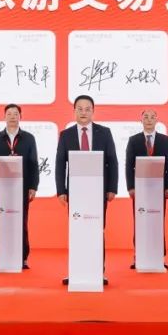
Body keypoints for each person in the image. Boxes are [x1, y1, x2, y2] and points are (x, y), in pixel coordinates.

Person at [55, 95, 118, 285]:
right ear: (74, 111)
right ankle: (76, 271)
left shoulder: (104, 132)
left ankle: (99, 271)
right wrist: (61, 190)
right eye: (80, 109)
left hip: (98, 191)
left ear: (93, 111)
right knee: (77, 230)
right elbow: (60, 164)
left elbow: (112, 161)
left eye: (87, 109)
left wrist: (112, 188)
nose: (83, 112)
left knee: (97, 231)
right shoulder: (66, 135)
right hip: (75, 192)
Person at [0, 103, 40, 269]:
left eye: (16, 113)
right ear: (4, 117)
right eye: (9, 113)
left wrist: (33, 186)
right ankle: (3, 255)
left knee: (21, 221)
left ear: (20, 117)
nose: (12, 117)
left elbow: (34, 163)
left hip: (22, 187)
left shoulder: (29, 138)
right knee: (3, 221)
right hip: (2, 187)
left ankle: (23, 257)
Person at [125, 109, 168, 269]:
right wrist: (131, 187)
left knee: (158, 222)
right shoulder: (134, 140)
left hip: (159, 189)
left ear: (156, 121)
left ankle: (159, 256)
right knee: (139, 221)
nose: (149, 120)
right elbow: (128, 165)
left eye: (152, 117)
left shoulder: (165, 140)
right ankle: (138, 255)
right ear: (141, 120)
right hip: (140, 188)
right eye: (146, 117)